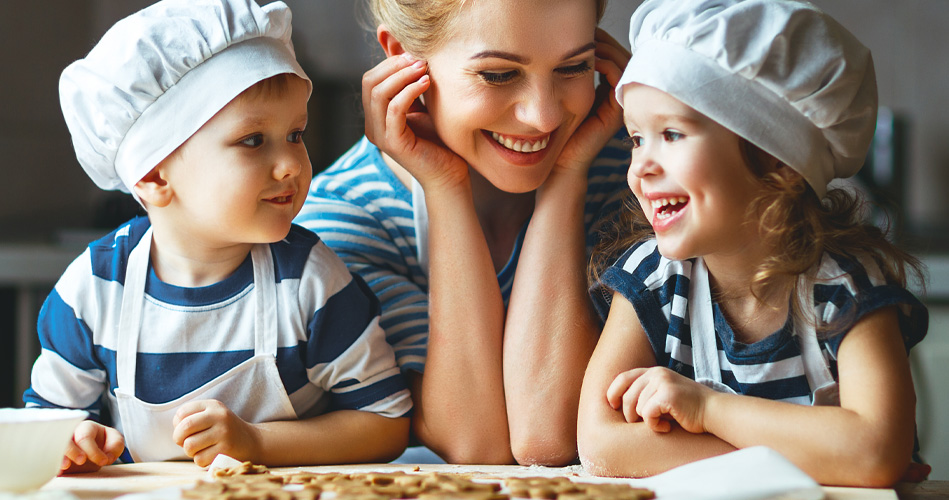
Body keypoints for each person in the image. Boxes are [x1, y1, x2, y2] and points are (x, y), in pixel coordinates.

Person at [24, 0, 412, 471]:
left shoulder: (310, 281)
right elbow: (47, 430)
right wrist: (75, 443)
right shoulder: (93, 290)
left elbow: (386, 421)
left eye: (295, 134)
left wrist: (257, 443)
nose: (292, 164)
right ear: (153, 176)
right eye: (253, 140)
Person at [576, 0, 930, 487]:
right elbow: (600, 444)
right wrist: (824, 453)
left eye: (672, 133)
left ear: (778, 161)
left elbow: (873, 452)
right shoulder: (651, 278)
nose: (641, 167)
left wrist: (706, 409)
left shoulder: (847, 288)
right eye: (637, 139)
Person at [294, 0, 631, 465]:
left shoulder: (637, 176)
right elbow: (477, 445)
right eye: (498, 75)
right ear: (401, 57)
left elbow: (551, 433)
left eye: (574, 67)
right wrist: (444, 187)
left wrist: (568, 179)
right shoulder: (341, 223)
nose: (544, 116)